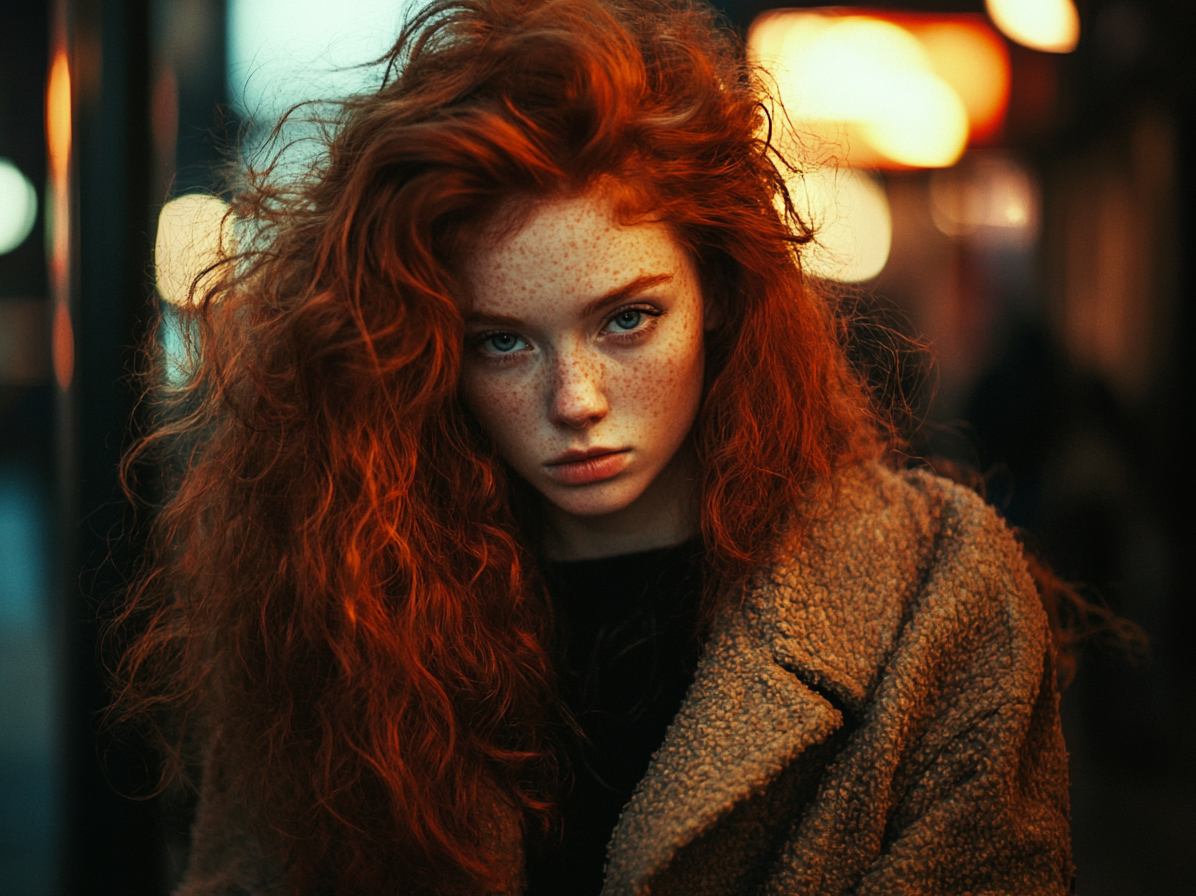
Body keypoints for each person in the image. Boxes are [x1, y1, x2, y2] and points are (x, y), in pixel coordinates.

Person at [114, 1, 1074, 893]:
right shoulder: (342, 602)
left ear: (720, 298)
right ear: (424, 353)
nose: (574, 400)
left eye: (627, 320)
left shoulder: (938, 597)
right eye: (501, 341)